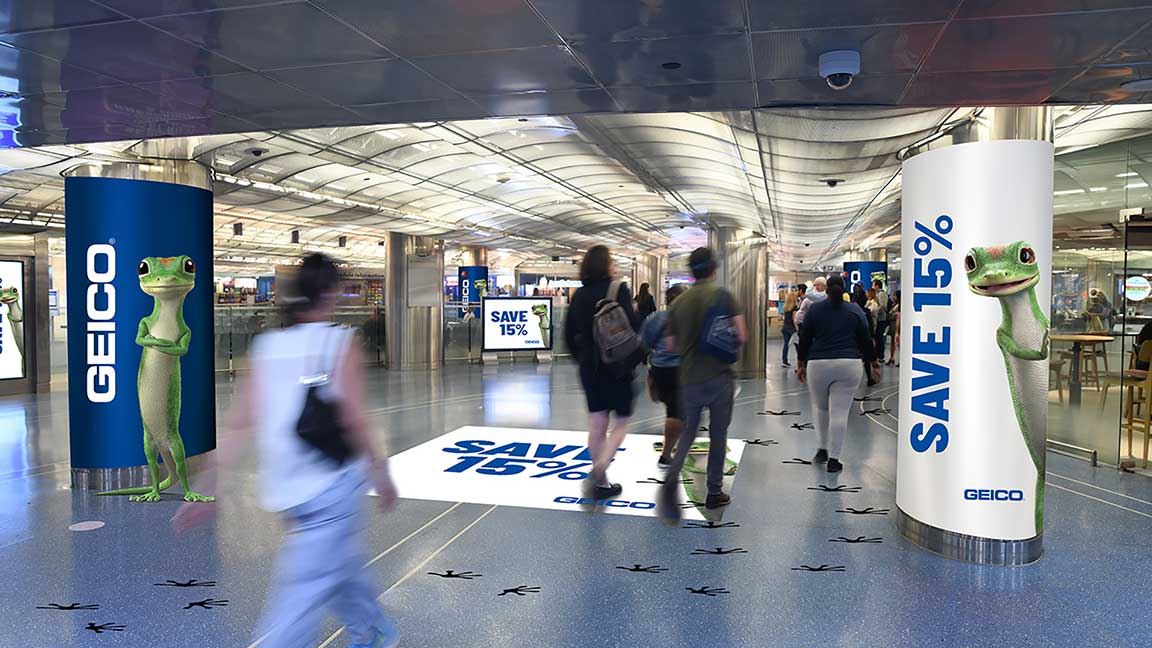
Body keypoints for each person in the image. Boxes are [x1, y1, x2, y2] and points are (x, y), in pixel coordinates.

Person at [172, 253, 399, 648]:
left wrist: (207, 486)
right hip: (332, 482)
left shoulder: (266, 347)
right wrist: (380, 471)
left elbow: (239, 423)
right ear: (329, 294)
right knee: (323, 571)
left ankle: (372, 630)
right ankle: (373, 627)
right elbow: (353, 417)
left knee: (309, 578)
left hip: (292, 487)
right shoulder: (340, 342)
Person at [658, 247, 747, 520]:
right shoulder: (724, 297)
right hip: (720, 376)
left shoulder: (678, 303)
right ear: (714, 269)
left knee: (688, 432)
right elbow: (742, 336)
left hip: (688, 379)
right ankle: (713, 492)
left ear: (691, 271)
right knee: (718, 435)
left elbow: (670, 346)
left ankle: (672, 477)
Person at [564, 245, 641, 499]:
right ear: (606, 265)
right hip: (617, 368)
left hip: (590, 369)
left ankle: (602, 484)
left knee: (597, 424)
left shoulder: (578, 296)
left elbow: (568, 337)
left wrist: (585, 359)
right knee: (622, 421)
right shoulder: (618, 289)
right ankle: (599, 469)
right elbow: (633, 326)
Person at [796, 274, 878, 474]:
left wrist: (801, 363)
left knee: (821, 408)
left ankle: (822, 449)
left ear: (826, 289)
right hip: (849, 364)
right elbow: (865, 339)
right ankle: (834, 459)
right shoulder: (855, 310)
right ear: (843, 289)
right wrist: (873, 361)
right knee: (840, 413)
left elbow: (805, 337)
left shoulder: (815, 310)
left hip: (818, 364)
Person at [640, 283, 688, 467]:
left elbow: (645, 342)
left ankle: (672, 449)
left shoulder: (656, 318)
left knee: (675, 408)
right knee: (675, 412)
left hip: (660, 368)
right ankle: (666, 455)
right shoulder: (691, 320)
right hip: (680, 370)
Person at [872, 278, 890, 361]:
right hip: (878, 318)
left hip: (881, 319)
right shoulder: (877, 294)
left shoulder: (882, 294)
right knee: (877, 337)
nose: (872, 286)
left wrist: (875, 311)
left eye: (873, 284)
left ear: (877, 286)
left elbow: (882, 305)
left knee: (879, 337)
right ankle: (877, 354)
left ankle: (881, 356)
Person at [781, 289, 798, 367]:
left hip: (785, 327)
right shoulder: (794, 308)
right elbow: (794, 319)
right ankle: (800, 363)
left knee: (786, 344)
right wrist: (797, 329)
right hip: (792, 329)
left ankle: (784, 361)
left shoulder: (785, 308)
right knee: (798, 345)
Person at [887, 291, 901, 366]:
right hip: (892, 323)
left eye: (895, 295)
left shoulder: (900, 305)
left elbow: (898, 315)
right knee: (893, 341)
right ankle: (892, 358)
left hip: (897, 324)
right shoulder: (894, 304)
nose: (893, 297)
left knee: (899, 342)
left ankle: (901, 359)